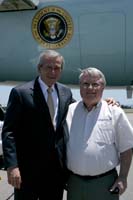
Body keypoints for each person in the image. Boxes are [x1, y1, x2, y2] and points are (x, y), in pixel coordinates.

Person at [1, 50, 117, 200]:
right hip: (27, 171)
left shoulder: (65, 92)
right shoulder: (20, 93)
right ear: (39, 68)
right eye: (48, 67)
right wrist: (12, 166)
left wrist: (106, 102)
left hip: (55, 172)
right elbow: (9, 132)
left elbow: (84, 106)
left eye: (57, 68)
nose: (53, 71)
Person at [66, 67, 133, 200]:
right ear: (79, 87)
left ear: (102, 87)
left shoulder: (114, 111)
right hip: (74, 183)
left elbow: (126, 148)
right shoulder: (69, 110)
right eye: (85, 84)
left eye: (95, 84)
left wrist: (123, 177)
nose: (90, 88)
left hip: (104, 183)